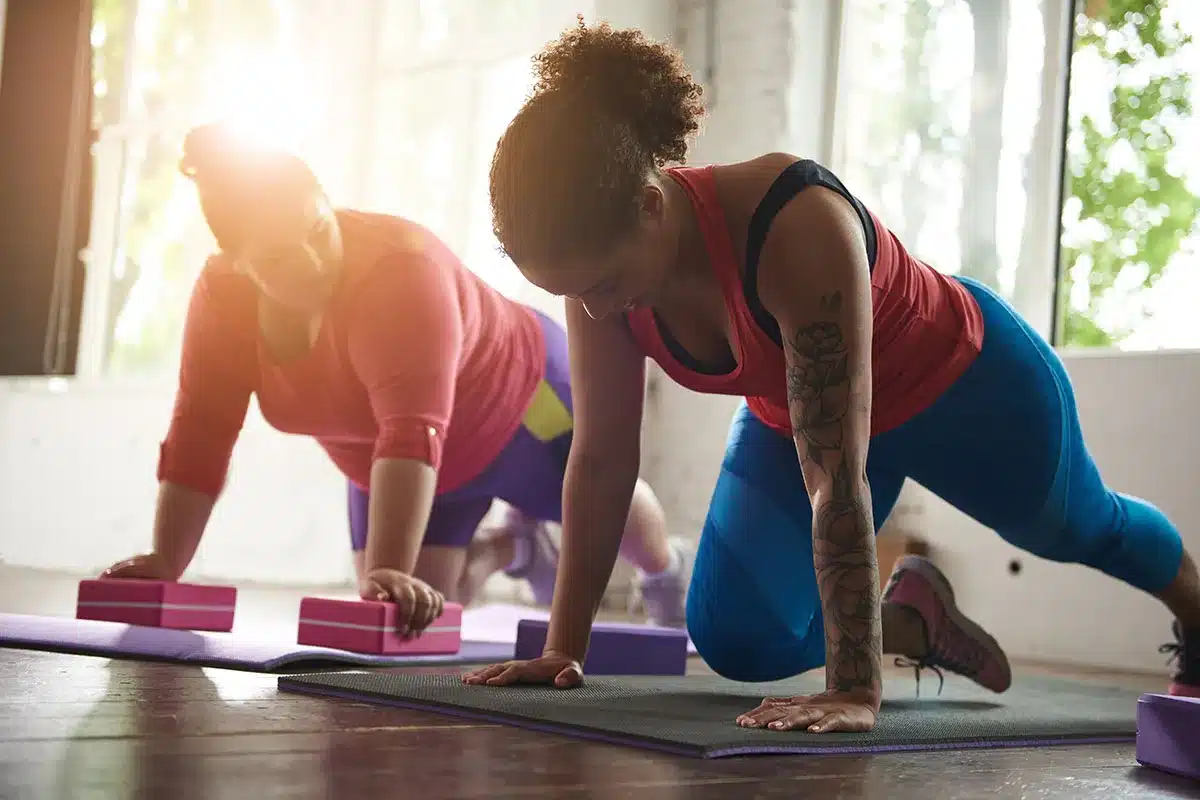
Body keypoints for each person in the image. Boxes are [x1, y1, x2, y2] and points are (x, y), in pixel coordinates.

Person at [461, 18, 1200, 732]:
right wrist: (564, 648)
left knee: (1079, 527)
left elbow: (836, 476)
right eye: (573, 290)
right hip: (797, 415)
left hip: (964, 387)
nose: (589, 310)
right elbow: (600, 458)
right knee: (736, 637)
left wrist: (853, 689)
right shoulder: (603, 277)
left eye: (599, 285)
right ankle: (913, 619)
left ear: (652, 206)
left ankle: (1197, 610)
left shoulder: (794, 225)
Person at [100, 121, 692, 632]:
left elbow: (413, 429)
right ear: (239, 266)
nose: (313, 262)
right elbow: (201, 429)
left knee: (614, 522)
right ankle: (515, 548)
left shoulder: (401, 272)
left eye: (317, 230)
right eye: (280, 257)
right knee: (415, 614)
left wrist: (387, 569)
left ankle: (668, 574)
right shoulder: (222, 301)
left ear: (327, 202)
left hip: (521, 401)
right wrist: (166, 563)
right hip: (396, 462)